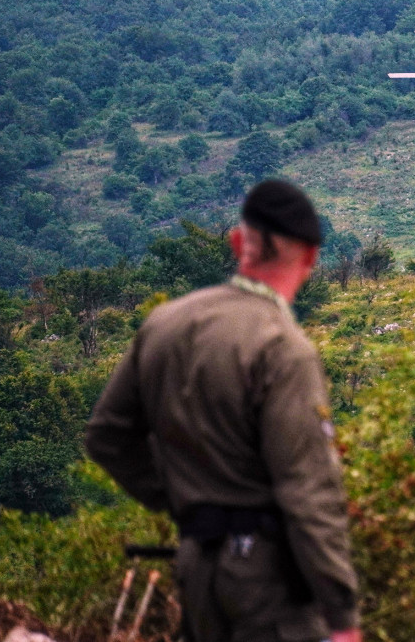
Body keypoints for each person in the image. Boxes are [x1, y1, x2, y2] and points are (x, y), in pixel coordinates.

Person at [86, 179, 361, 642]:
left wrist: (181, 499)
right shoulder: (284, 347)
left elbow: (106, 436)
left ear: (237, 243)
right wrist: (342, 614)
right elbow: (308, 491)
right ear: (312, 256)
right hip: (269, 582)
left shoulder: (164, 324)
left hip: (197, 566)